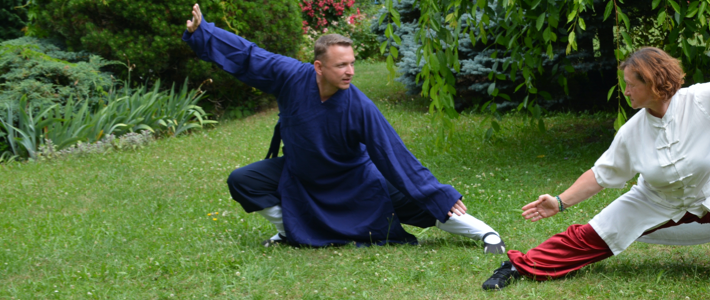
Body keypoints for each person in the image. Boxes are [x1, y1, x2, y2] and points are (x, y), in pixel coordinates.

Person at [481, 23, 710, 290]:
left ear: (652, 83)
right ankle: (517, 266)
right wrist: (560, 202)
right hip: (654, 200)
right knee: (588, 236)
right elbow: (600, 175)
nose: (626, 91)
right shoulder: (632, 132)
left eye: (631, 85)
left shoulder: (701, 100)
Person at [182, 4, 504, 252]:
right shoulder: (290, 76)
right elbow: (250, 56)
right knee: (243, 180)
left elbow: (391, 152)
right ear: (319, 67)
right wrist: (204, 33)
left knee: (418, 203)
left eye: (352, 63)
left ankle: (486, 233)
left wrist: (436, 193)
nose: (350, 71)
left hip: (354, 180)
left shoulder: (359, 106)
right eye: (341, 65)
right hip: (301, 176)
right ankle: (290, 231)